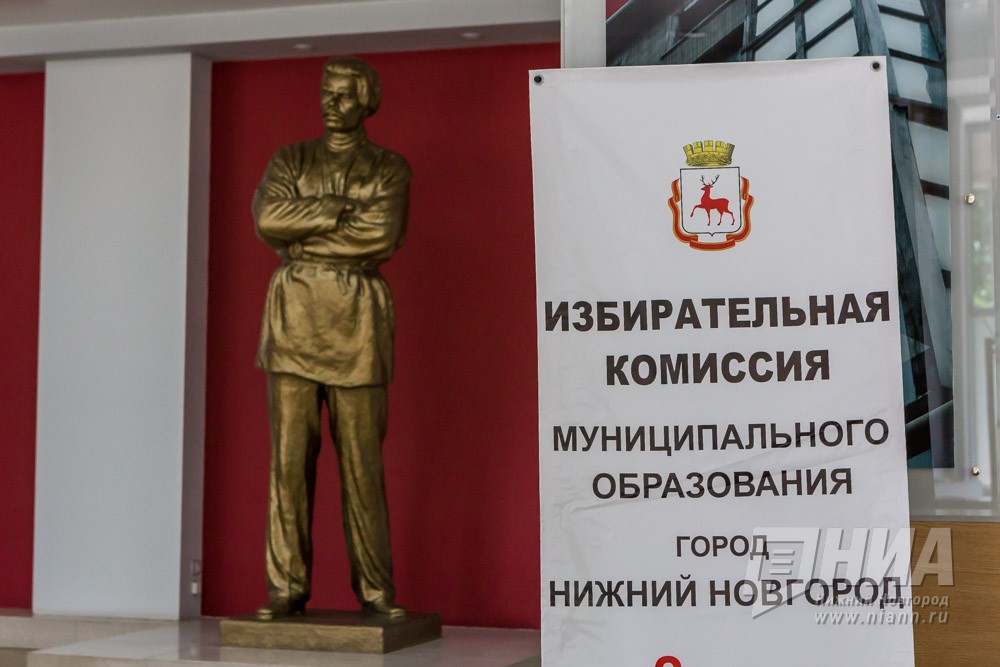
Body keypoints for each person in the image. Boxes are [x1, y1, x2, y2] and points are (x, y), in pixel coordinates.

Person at [251, 57, 410, 620]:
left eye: (343, 95)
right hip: (294, 321)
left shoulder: (388, 168)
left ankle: (375, 589)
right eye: (326, 92)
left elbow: (380, 235)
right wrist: (331, 212)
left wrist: (302, 238)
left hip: (356, 325)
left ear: (366, 101)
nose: (330, 103)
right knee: (288, 463)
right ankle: (286, 587)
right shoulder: (290, 159)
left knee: (362, 465)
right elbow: (268, 219)